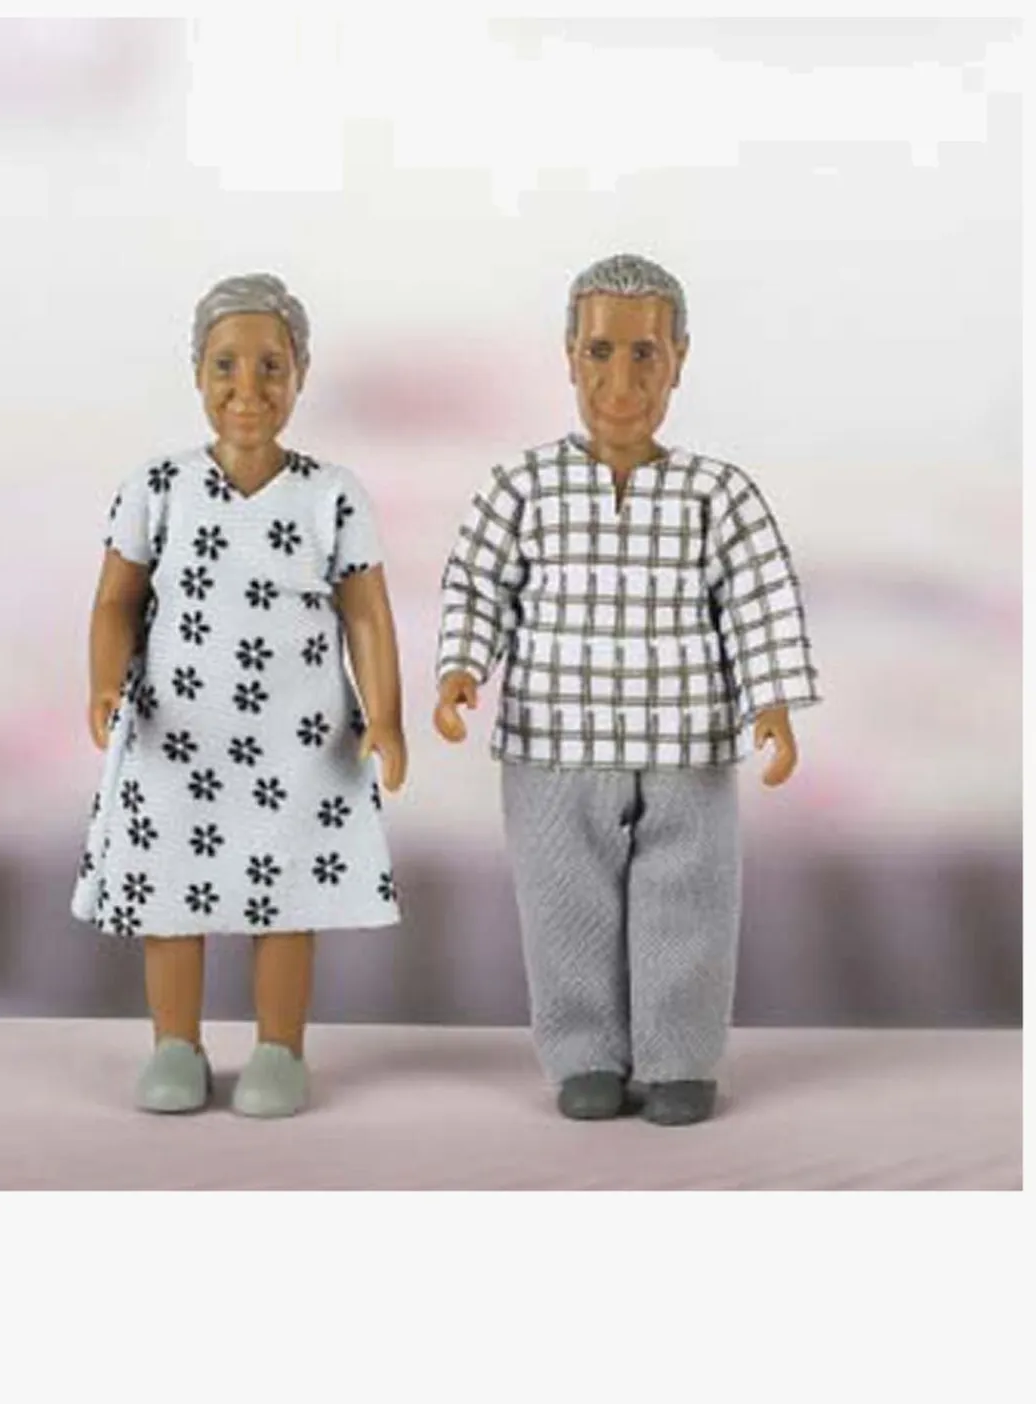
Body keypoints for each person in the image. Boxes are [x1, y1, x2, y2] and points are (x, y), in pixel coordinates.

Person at [434, 253, 819, 1124]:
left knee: (689, 904)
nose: (621, 380)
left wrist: (772, 701)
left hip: (687, 744)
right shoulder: (521, 487)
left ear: (679, 359)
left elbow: (759, 597)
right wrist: (462, 667)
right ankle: (584, 1056)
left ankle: (680, 1058)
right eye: (600, 352)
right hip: (553, 743)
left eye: (645, 354)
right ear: (569, 357)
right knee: (564, 907)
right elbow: (476, 585)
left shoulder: (717, 494)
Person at [75, 273, 407, 1118]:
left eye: (271, 366)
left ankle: (279, 1048)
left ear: (301, 375)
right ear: (197, 372)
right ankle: (175, 1045)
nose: (248, 388)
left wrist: (387, 716)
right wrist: (105, 681)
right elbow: (116, 599)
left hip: (300, 736)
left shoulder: (332, 494)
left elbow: (365, 611)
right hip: (177, 732)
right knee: (171, 894)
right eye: (226, 364)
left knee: (287, 894)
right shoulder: (158, 486)